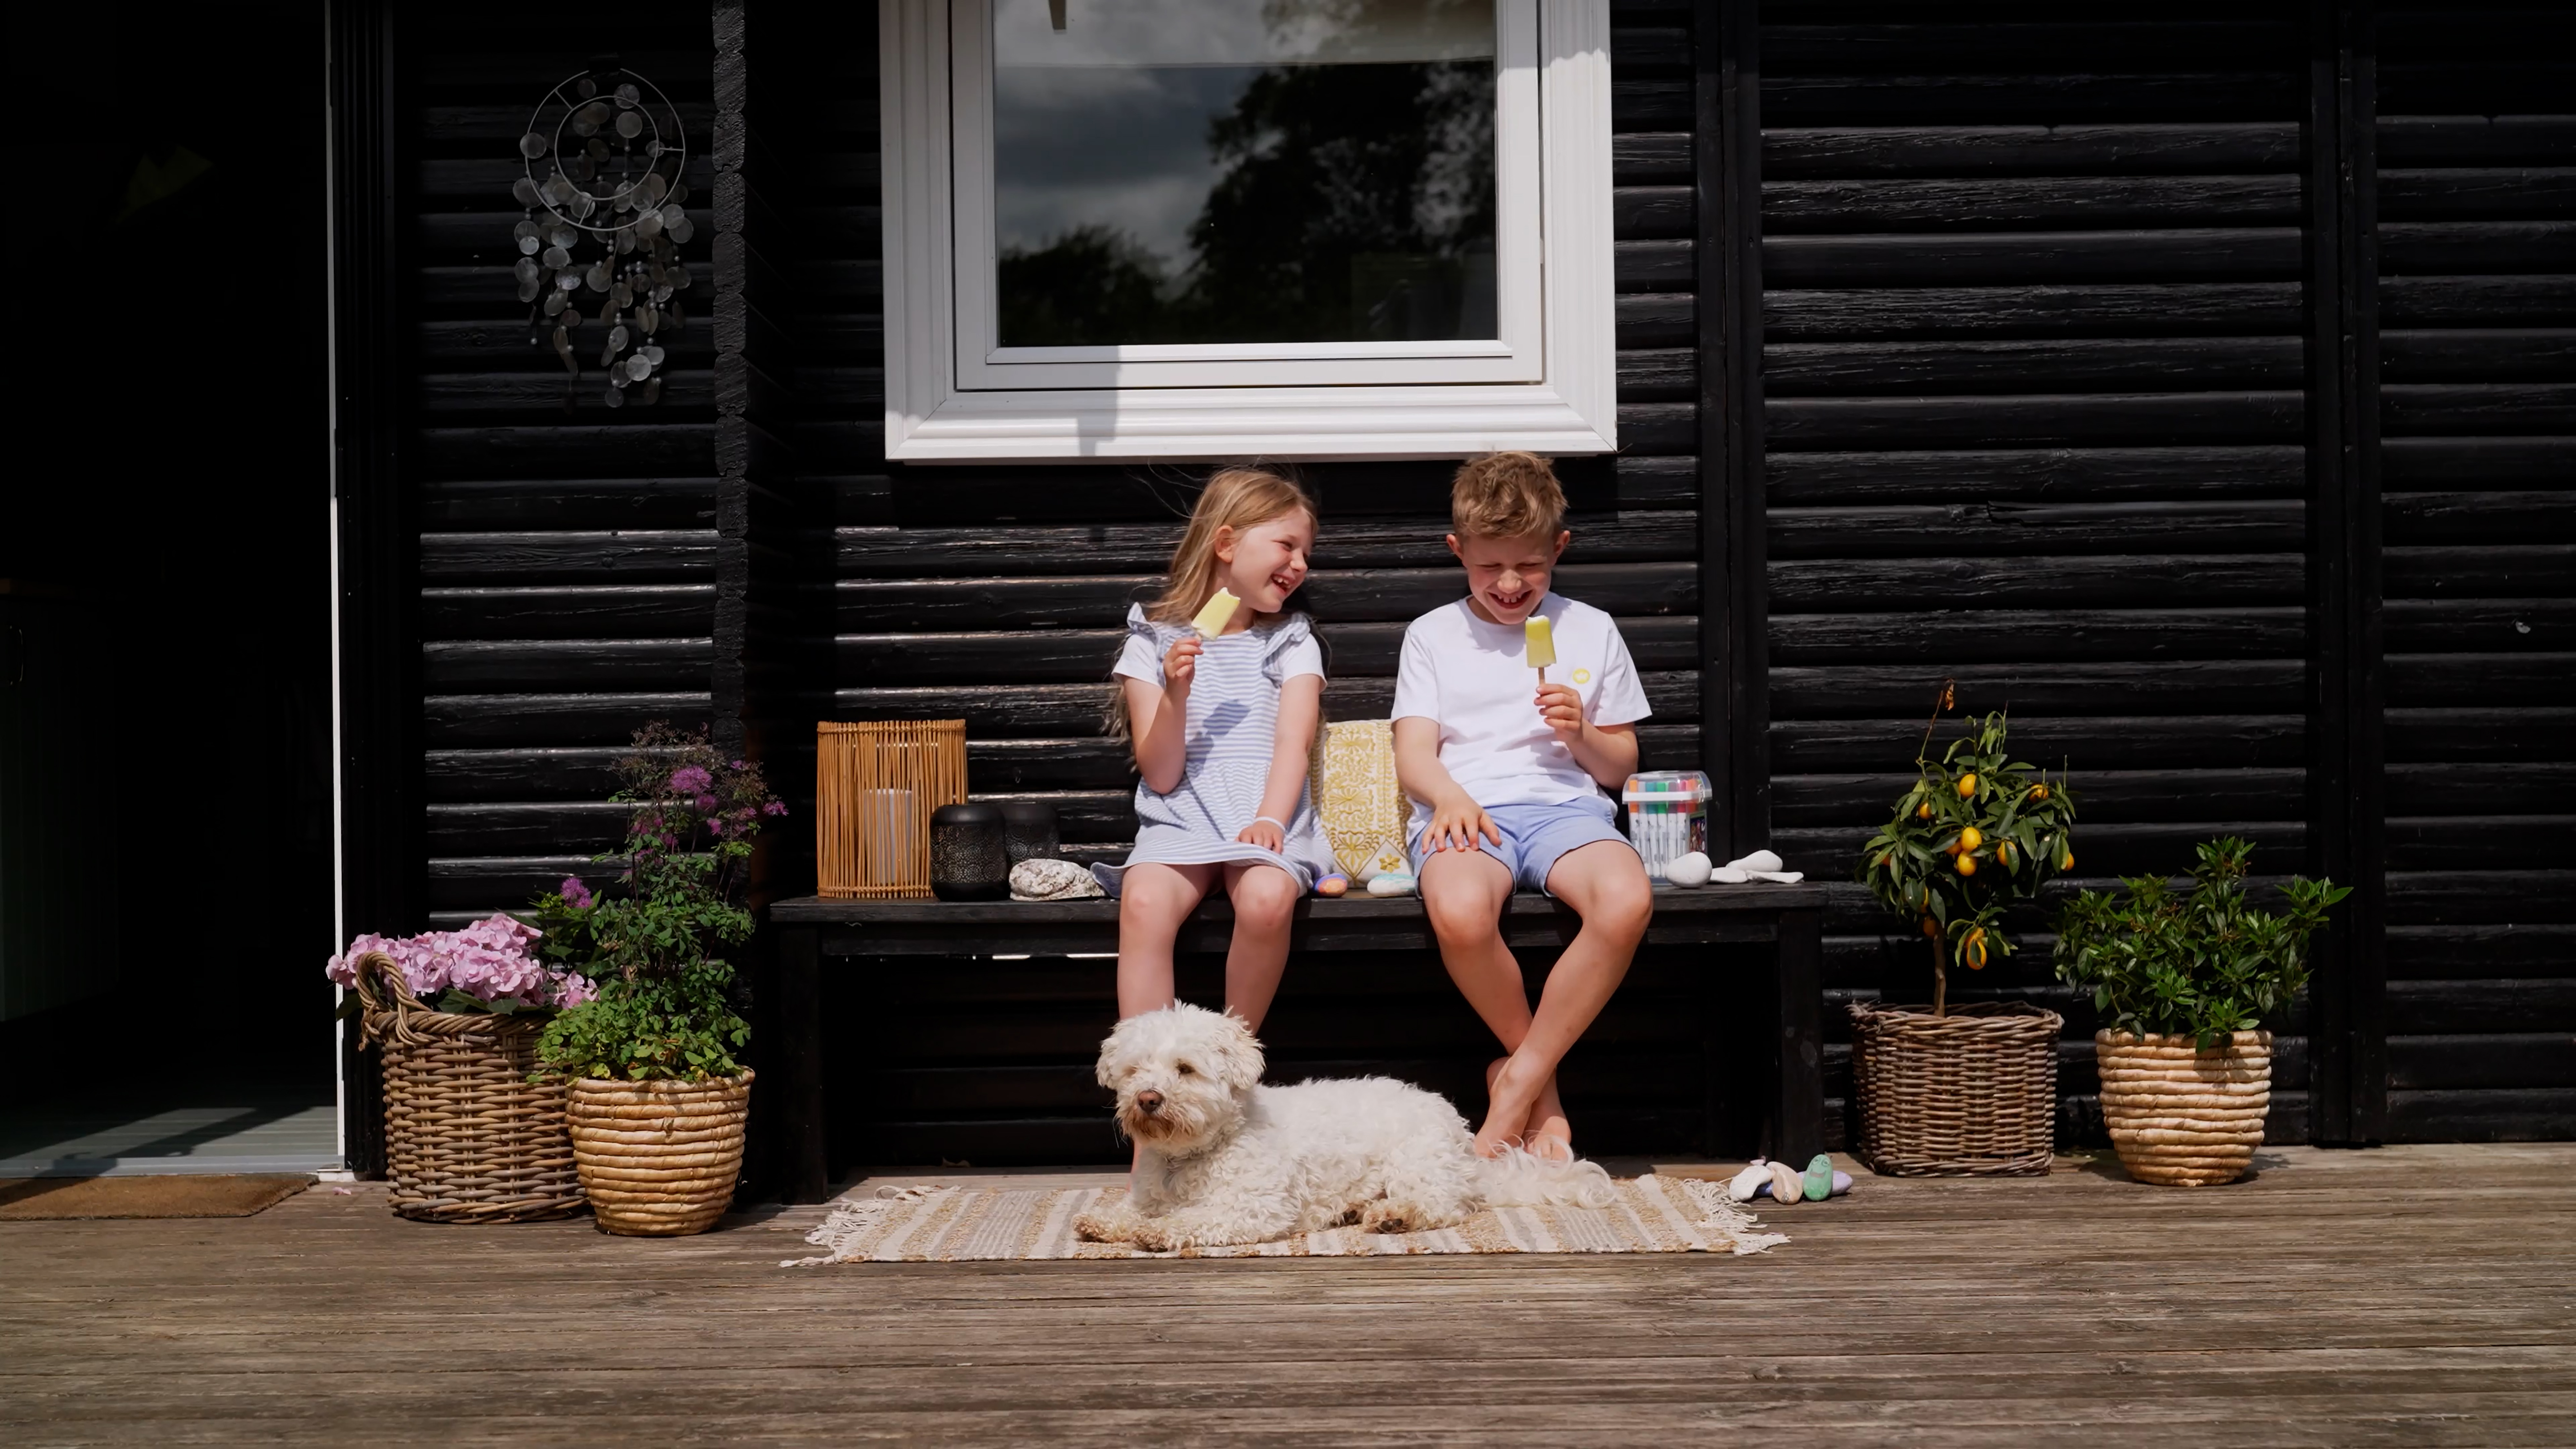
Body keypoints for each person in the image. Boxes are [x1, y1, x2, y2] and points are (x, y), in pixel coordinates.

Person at [1392, 452, 1654, 1159]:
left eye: (1530, 567)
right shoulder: (1432, 635)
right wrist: (1449, 795)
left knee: (1626, 901)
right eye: (1490, 567)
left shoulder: (1591, 628)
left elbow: (1620, 766)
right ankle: (1542, 1095)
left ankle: (1515, 1084)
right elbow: (1414, 755)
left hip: (1565, 811)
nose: (1510, 585)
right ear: (1458, 551)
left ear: (1559, 548)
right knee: (1460, 912)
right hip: (1464, 809)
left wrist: (1581, 732)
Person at [1097, 468, 1334, 1033]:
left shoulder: (1290, 642)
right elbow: (1161, 775)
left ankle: (1230, 1058)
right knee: (1144, 903)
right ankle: (1148, 1068)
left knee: (1266, 900)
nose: (1300, 563)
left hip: (1267, 812)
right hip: (1182, 815)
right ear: (1226, 544)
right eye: (1287, 545)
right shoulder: (1151, 643)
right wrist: (1175, 694)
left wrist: (1270, 818)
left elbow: (1293, 742)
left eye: (1306, 552)